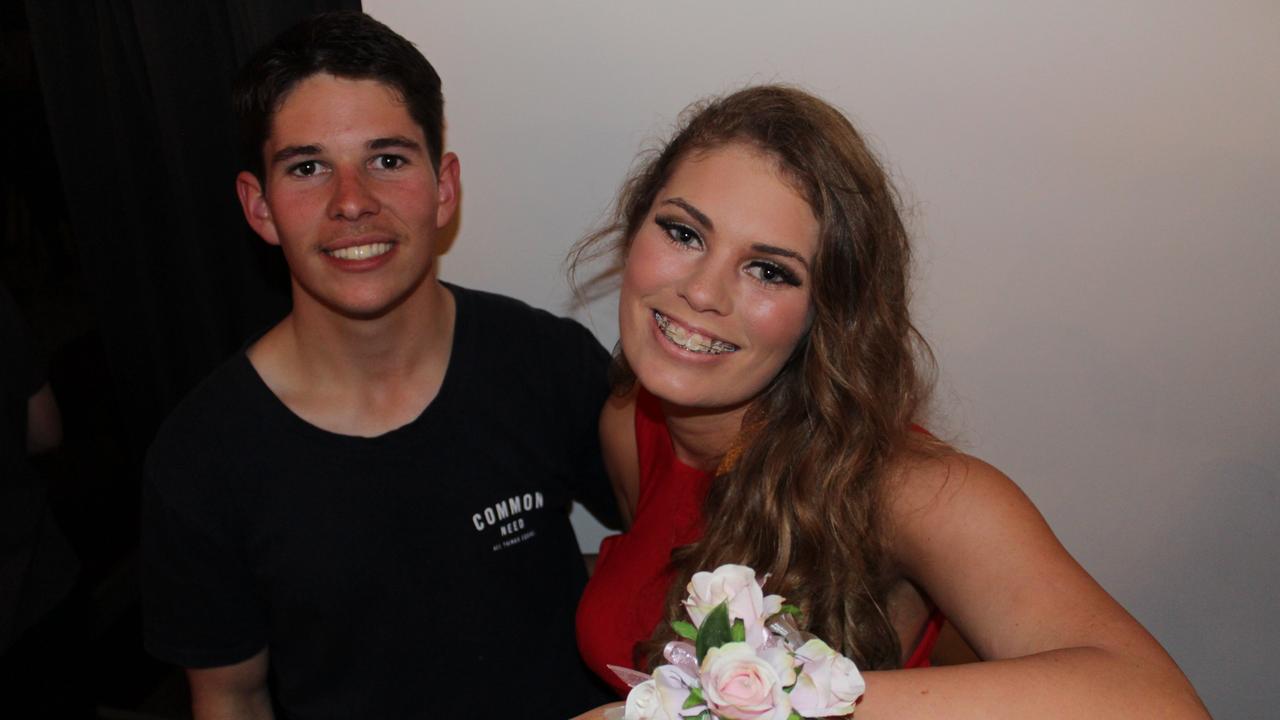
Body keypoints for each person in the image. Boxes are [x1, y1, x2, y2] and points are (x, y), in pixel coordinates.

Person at [570, 86, 1208, 718]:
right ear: (634, 231)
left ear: (826, 314)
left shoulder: (908, 488)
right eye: (683, 233)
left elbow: (1159, 704)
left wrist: (754, 707)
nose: (703, 292)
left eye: (769, 270)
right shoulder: (628, 424)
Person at [141, 12, 618, 719]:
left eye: (387, 159)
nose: (352, 202)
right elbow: (230, 697)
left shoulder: (547, 362)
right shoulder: (201, 459)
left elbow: (681, 545)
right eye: (308, 168)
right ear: (260, 208)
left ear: (443, 187)